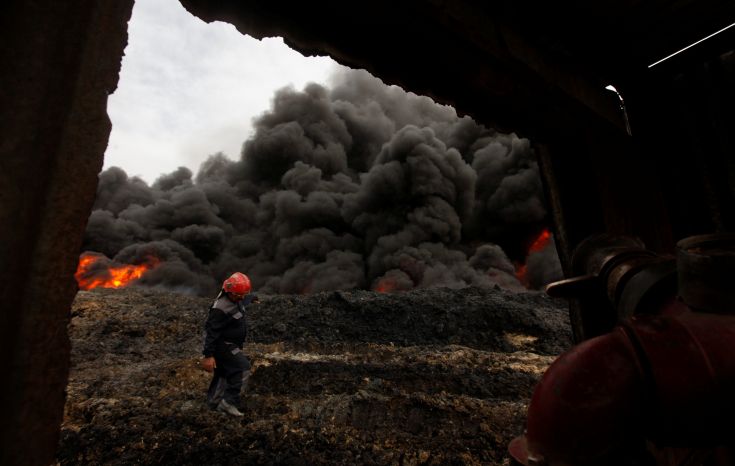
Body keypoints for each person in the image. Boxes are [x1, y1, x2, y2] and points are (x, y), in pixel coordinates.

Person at [201, 272, 258, 417]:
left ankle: (214, 403)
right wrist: (208, 355)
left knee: (224, 373)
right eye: (239, 295)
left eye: (243, 295)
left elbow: (241, 301)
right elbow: (211, 332)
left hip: (230, 344)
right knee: (242, 368)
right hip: (224, 346)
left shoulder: (236, 298)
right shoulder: (220, 308)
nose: (241, 298)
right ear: (229, 291)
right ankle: (229, 403)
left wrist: (251, 298)